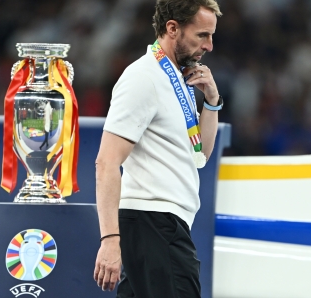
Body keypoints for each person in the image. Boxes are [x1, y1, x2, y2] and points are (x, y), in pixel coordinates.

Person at [94, 0, 223, 297]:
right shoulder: (143, 77)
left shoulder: (177, 77)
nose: (210, 46)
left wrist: (212, 101)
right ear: (173, 28)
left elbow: (200, 154)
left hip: (162, 225)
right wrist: (110, 239)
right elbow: (106, 162)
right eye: (202, 35)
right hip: (153, 223)